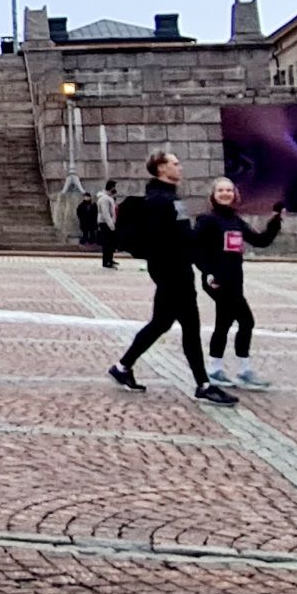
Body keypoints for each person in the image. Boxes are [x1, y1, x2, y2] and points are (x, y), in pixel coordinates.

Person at [109, 151, 238, 405]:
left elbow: (181, 236)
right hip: (172, 271)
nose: (180, 167)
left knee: (161, 322)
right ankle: (203, 384)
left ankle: (122, 367)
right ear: (161, 169)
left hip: (174, 269)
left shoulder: (169, 197)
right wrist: (204, 263)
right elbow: (171, 240)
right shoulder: (160, 200)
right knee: (190, 327)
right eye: (175, 164)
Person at [197, 178, 283, 390]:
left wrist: (275, 221)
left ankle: (215, 368)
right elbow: (196, 250)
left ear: (234, 194)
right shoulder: (207, 219)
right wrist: (208, 273)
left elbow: (260, 241)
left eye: (229, 190)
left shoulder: (235, 220)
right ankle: (243, 370)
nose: (225, 194)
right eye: (221, 190)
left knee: (225, 322)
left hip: (234, 279)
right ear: (213, 195)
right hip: (217, 280)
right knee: (246, 321)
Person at [96, 180, 120, 269]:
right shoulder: (104, 199)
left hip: (109, 223)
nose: (115, 189)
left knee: (110, 243)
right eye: (114, 187)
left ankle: (110, 259)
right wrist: (111, 225)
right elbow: (105, 213)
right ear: (111, 188)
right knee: (107, 244)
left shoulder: (108, 197)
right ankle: (106, 262)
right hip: (105, 223)